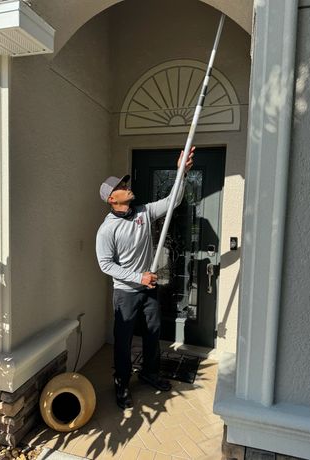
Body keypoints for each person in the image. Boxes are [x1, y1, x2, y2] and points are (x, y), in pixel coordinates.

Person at [96, 147, 194, 409]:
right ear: (111, 199)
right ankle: (122, 383)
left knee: (153, 333)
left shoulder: (143, 212)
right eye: (121, 186)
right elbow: (105, 265)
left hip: (147, 288)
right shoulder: (107, 230)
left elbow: (173, 201)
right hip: (125, 293)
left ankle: (150, 372)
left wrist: (181, 172)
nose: (127, 186)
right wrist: (137, 277)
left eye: (125, 182)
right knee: (124, 340)